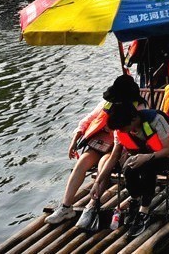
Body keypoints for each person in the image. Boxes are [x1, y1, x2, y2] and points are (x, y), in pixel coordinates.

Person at [45, 74, 144, 227]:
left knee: (103, 164)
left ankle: (91, 206)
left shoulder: (139, 108)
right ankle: (66, 207)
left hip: (120, 148)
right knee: (82, 162)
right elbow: (87, 120)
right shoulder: (107, 104)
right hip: (101, 143)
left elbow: (137, 136)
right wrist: (74, 140)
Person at [95, 104, 169, 238]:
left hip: (168, 155)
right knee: (128, 169)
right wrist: (97, 182)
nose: (122, 131)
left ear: (133, 120)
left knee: (147, 169)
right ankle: (135, 199)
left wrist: (147, 157)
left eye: (123, 128)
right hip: (144, 154)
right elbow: (114, 156)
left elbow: (168, 149)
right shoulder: (122, 128)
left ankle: (144, 211)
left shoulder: (156, 120)